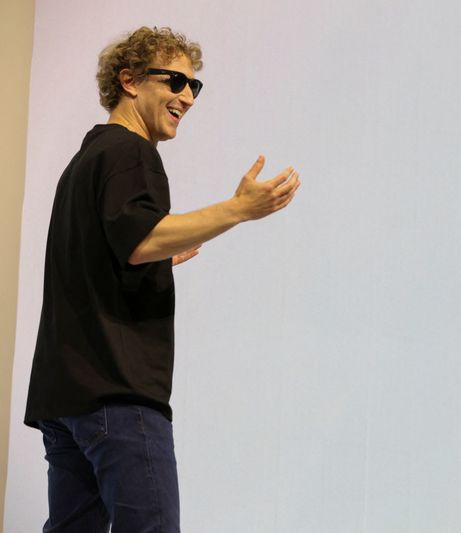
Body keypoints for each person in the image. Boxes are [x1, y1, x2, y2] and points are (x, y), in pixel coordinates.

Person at [24, 26, 300, 532]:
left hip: (64, 401)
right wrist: (238, 209)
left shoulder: (85, 160)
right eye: (174, 81)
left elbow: (108, 251)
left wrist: (154, 258)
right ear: (129, 81)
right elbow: (140, 238)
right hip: (117, 397)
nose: (187, 96)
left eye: (195, 86)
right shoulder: (130, 151)